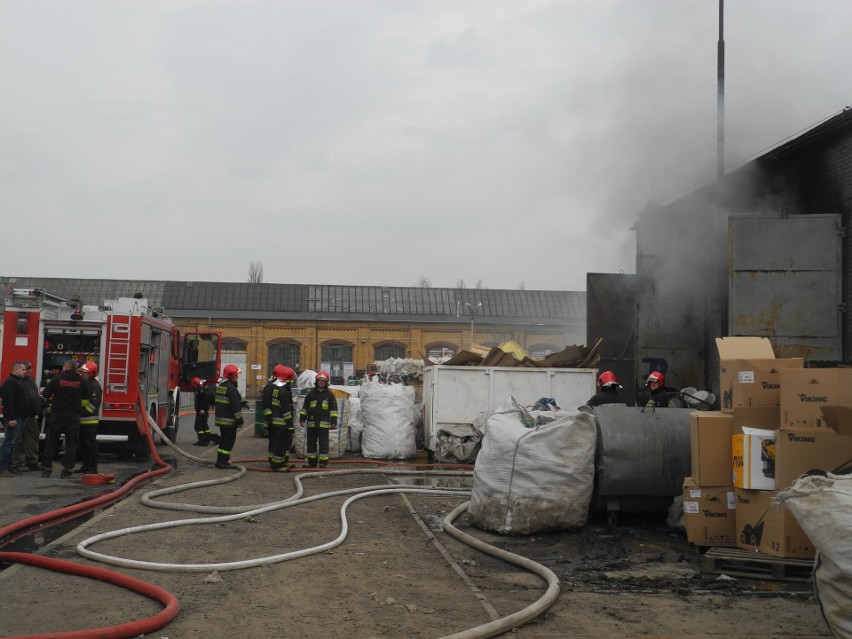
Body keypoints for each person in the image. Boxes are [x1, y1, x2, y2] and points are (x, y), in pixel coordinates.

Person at [41, 360, 90, 479]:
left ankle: (46, 469)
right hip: (73, 417)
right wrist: (80, 411)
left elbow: (45, 395)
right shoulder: (82, 381)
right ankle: (67, 470)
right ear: (75, 369)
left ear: (65, 367)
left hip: (57, 415)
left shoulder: (56, 379)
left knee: (51, 443)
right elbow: (86, 398)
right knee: (71, 445)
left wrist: (48, 407)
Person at [0, 362, 34, 477]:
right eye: (23, 370)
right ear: (16, 370)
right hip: (15, 418)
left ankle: (9, 467)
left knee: (15, 443)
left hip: (21, 417)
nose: (25, 372)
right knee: (9, 443)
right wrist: (11, 418)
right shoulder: (10, 382)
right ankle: (2, 468)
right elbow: (9, 401)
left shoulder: (18, 382)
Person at [299, 370, 338, 469]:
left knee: (323, 444)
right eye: (320, 380)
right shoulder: (311, 394)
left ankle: (323, 463)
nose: (321, 382)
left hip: (324, 425)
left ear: (326, 382)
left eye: (323, 381)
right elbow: (305, 408)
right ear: (316, 381)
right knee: (311, 444)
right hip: (312, 424)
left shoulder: (329, 395)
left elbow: (333, 410)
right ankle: (311, 462)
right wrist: (302, 419)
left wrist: (333, 421)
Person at [262, 364, 296, 471]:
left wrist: (269, 419)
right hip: (281, 423)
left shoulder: (274, 387)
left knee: (274, 443)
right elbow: (286, 410)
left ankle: (276, 462)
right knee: (281, 444)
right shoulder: (283, 391)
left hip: (273, 422)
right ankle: (277, 465)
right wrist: (290, 425)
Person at [10, 360, 42, 473]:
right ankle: (18, 463)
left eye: (30, 368)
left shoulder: (31, 380)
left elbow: (33, 395)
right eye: (26, 369)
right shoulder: (17, 382)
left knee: (33, 438)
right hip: (21, 416)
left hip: (32, 416)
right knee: (21, 440)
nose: (29, 371)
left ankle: (32, 461)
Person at [213, 364, 246, 469]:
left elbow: (226, 403)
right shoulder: (232, 389)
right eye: (237, 375)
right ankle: (223, 462)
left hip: (221, 420)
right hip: (229, 422)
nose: (238, 377)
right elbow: (234, 408)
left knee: (223, 442)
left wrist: (240, 403)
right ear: (232, 376)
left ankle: (220, 461)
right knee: (228, 443)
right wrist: (240, 420)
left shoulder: (221, 387)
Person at [74, 362, 103, 474]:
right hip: (82, 420)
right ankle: (85, 466)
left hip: (89, 421)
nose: (82, 374)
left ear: (91, 373)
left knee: (90, 445)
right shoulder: (84, 383)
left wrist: (83, 412)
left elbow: (94, 403)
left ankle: (92, 468)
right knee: (83, 445)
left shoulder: (94, 385)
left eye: (84, 373)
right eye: (81, 372)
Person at [191, 377, 218, 446]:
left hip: (201, 411)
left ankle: (202, 440)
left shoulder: (202, 390)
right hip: (203, 411)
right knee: (204, 426)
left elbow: (204, 400)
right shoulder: (205, 390)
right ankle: (208, 438)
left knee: (198, 426)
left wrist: (202, 409)